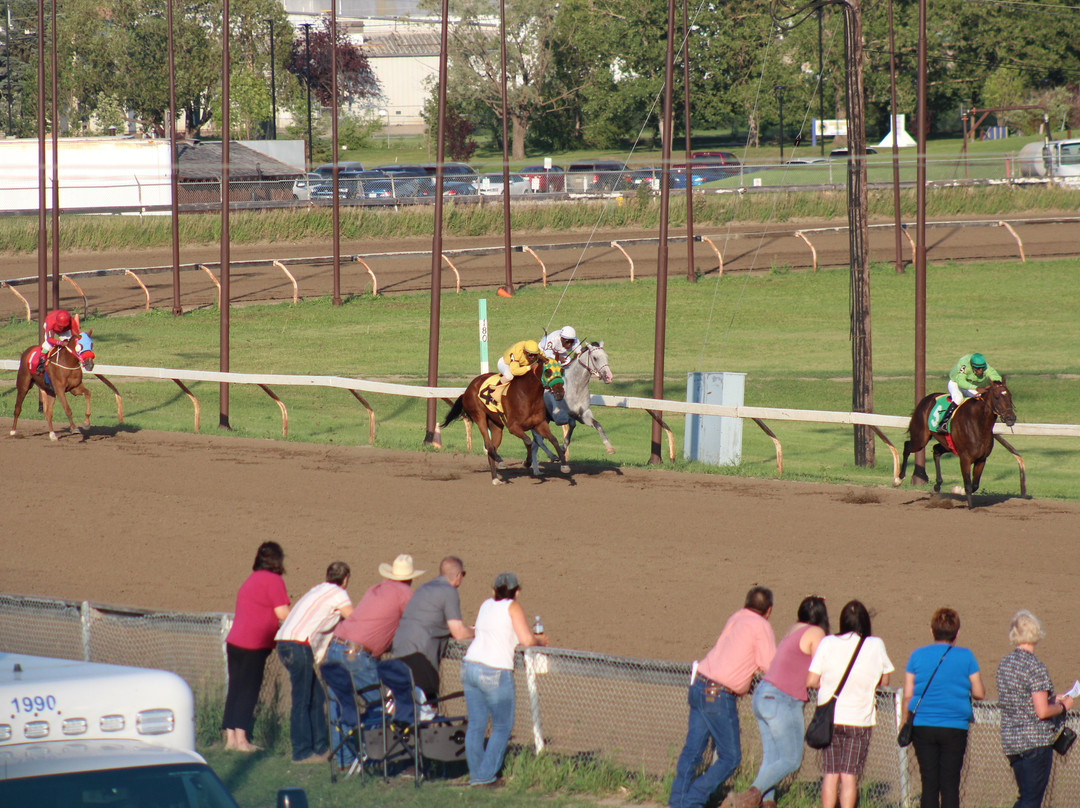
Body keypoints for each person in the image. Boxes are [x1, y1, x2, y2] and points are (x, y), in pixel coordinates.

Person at [669, 587, 776, 808]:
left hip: (700, 683)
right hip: (719, 696)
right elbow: (769, 666)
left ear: (746, 603)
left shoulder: (736, 616)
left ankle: (678, 801)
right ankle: (693, 800)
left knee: (693, 750)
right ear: (769, 610)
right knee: (730, 757)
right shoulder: (762, 626)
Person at [723, 596, 830, 808]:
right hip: (784, 699)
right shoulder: (816, 633)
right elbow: (820, 668)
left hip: (763, 695)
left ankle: (767, 803)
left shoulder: (794, 629)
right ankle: (743, 800)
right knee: (791, 759)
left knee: (771, 759)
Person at [461, 571, 549, 788]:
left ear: (493, 590)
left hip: (470, 665)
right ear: (517, 591)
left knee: (476, 725)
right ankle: (485, 777)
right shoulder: (513, 607)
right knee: (501, 726)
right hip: (494, 671)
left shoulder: (485, 605)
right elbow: (526, 639)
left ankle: (477, 775)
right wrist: (541, 640)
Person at [807, 600, 894, 808]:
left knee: (831, 774)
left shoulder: (828, 643)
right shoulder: (875, 644)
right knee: (849, 776)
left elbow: (810, 680)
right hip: (859, 720)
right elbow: (885, 680)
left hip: (831, 719)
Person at [902, 608, 986, 808]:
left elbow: (908, 694)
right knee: (950, 786)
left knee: (929, 784)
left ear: (932, 631)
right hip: (955, 726)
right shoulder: (966, 656)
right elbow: (979, 692)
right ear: (956, 633)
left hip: (922, 725)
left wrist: (904, 722)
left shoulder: (917, 656)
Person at [275, 561, 353, 764]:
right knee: (303, 698)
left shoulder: (318, 589)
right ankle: (301, 752)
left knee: (316, 697)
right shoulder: (338, 593)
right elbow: (352, 619)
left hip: (285, 643)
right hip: (298, 645)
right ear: (345, 580)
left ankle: (320, 748)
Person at [996, 610, 1073, 808]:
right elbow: (1042, 712)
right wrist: (1062, 706)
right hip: (1034, 742)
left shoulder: (1004, 665)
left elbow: (1020, 699)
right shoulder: (1035, 667)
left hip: (1012, 741)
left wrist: (1050, 698)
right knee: (1030, 800)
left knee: (1026, 796)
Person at [326, 553, 425, 704]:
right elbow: (419, 621)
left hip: (334, 648)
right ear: (410, 578)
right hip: (355, 655)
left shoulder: (375, 588)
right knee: (378, 707)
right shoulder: (404, 592)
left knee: (340, 709)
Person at [222, 541, 291, 752]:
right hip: (254, 644)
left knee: (235, 687)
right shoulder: (274, 581)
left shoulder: (251, 579)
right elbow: (282, 613)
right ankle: (242, 740)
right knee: (249, 690)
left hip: (234, 642)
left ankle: (230, 739)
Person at [390, 555, 474, 699]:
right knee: (425, 705)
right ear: (458, 575)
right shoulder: (449, 591)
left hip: (399, 649)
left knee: (403, 703)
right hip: (419, 658)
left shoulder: (423, 588)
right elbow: (459, 632)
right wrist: (476, 631)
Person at [944, 353, 1002, 420]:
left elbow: (995, 376)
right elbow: (961, 382)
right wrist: (976, 388)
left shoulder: (984, 366)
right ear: (972, 366)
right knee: (958, 399)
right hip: (955, 383)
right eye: (978, 368)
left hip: (969, 385)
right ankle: (944, 421)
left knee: (980, 399)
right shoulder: (964, 365)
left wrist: (996, 384)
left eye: (982, 368)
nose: (980, 371)